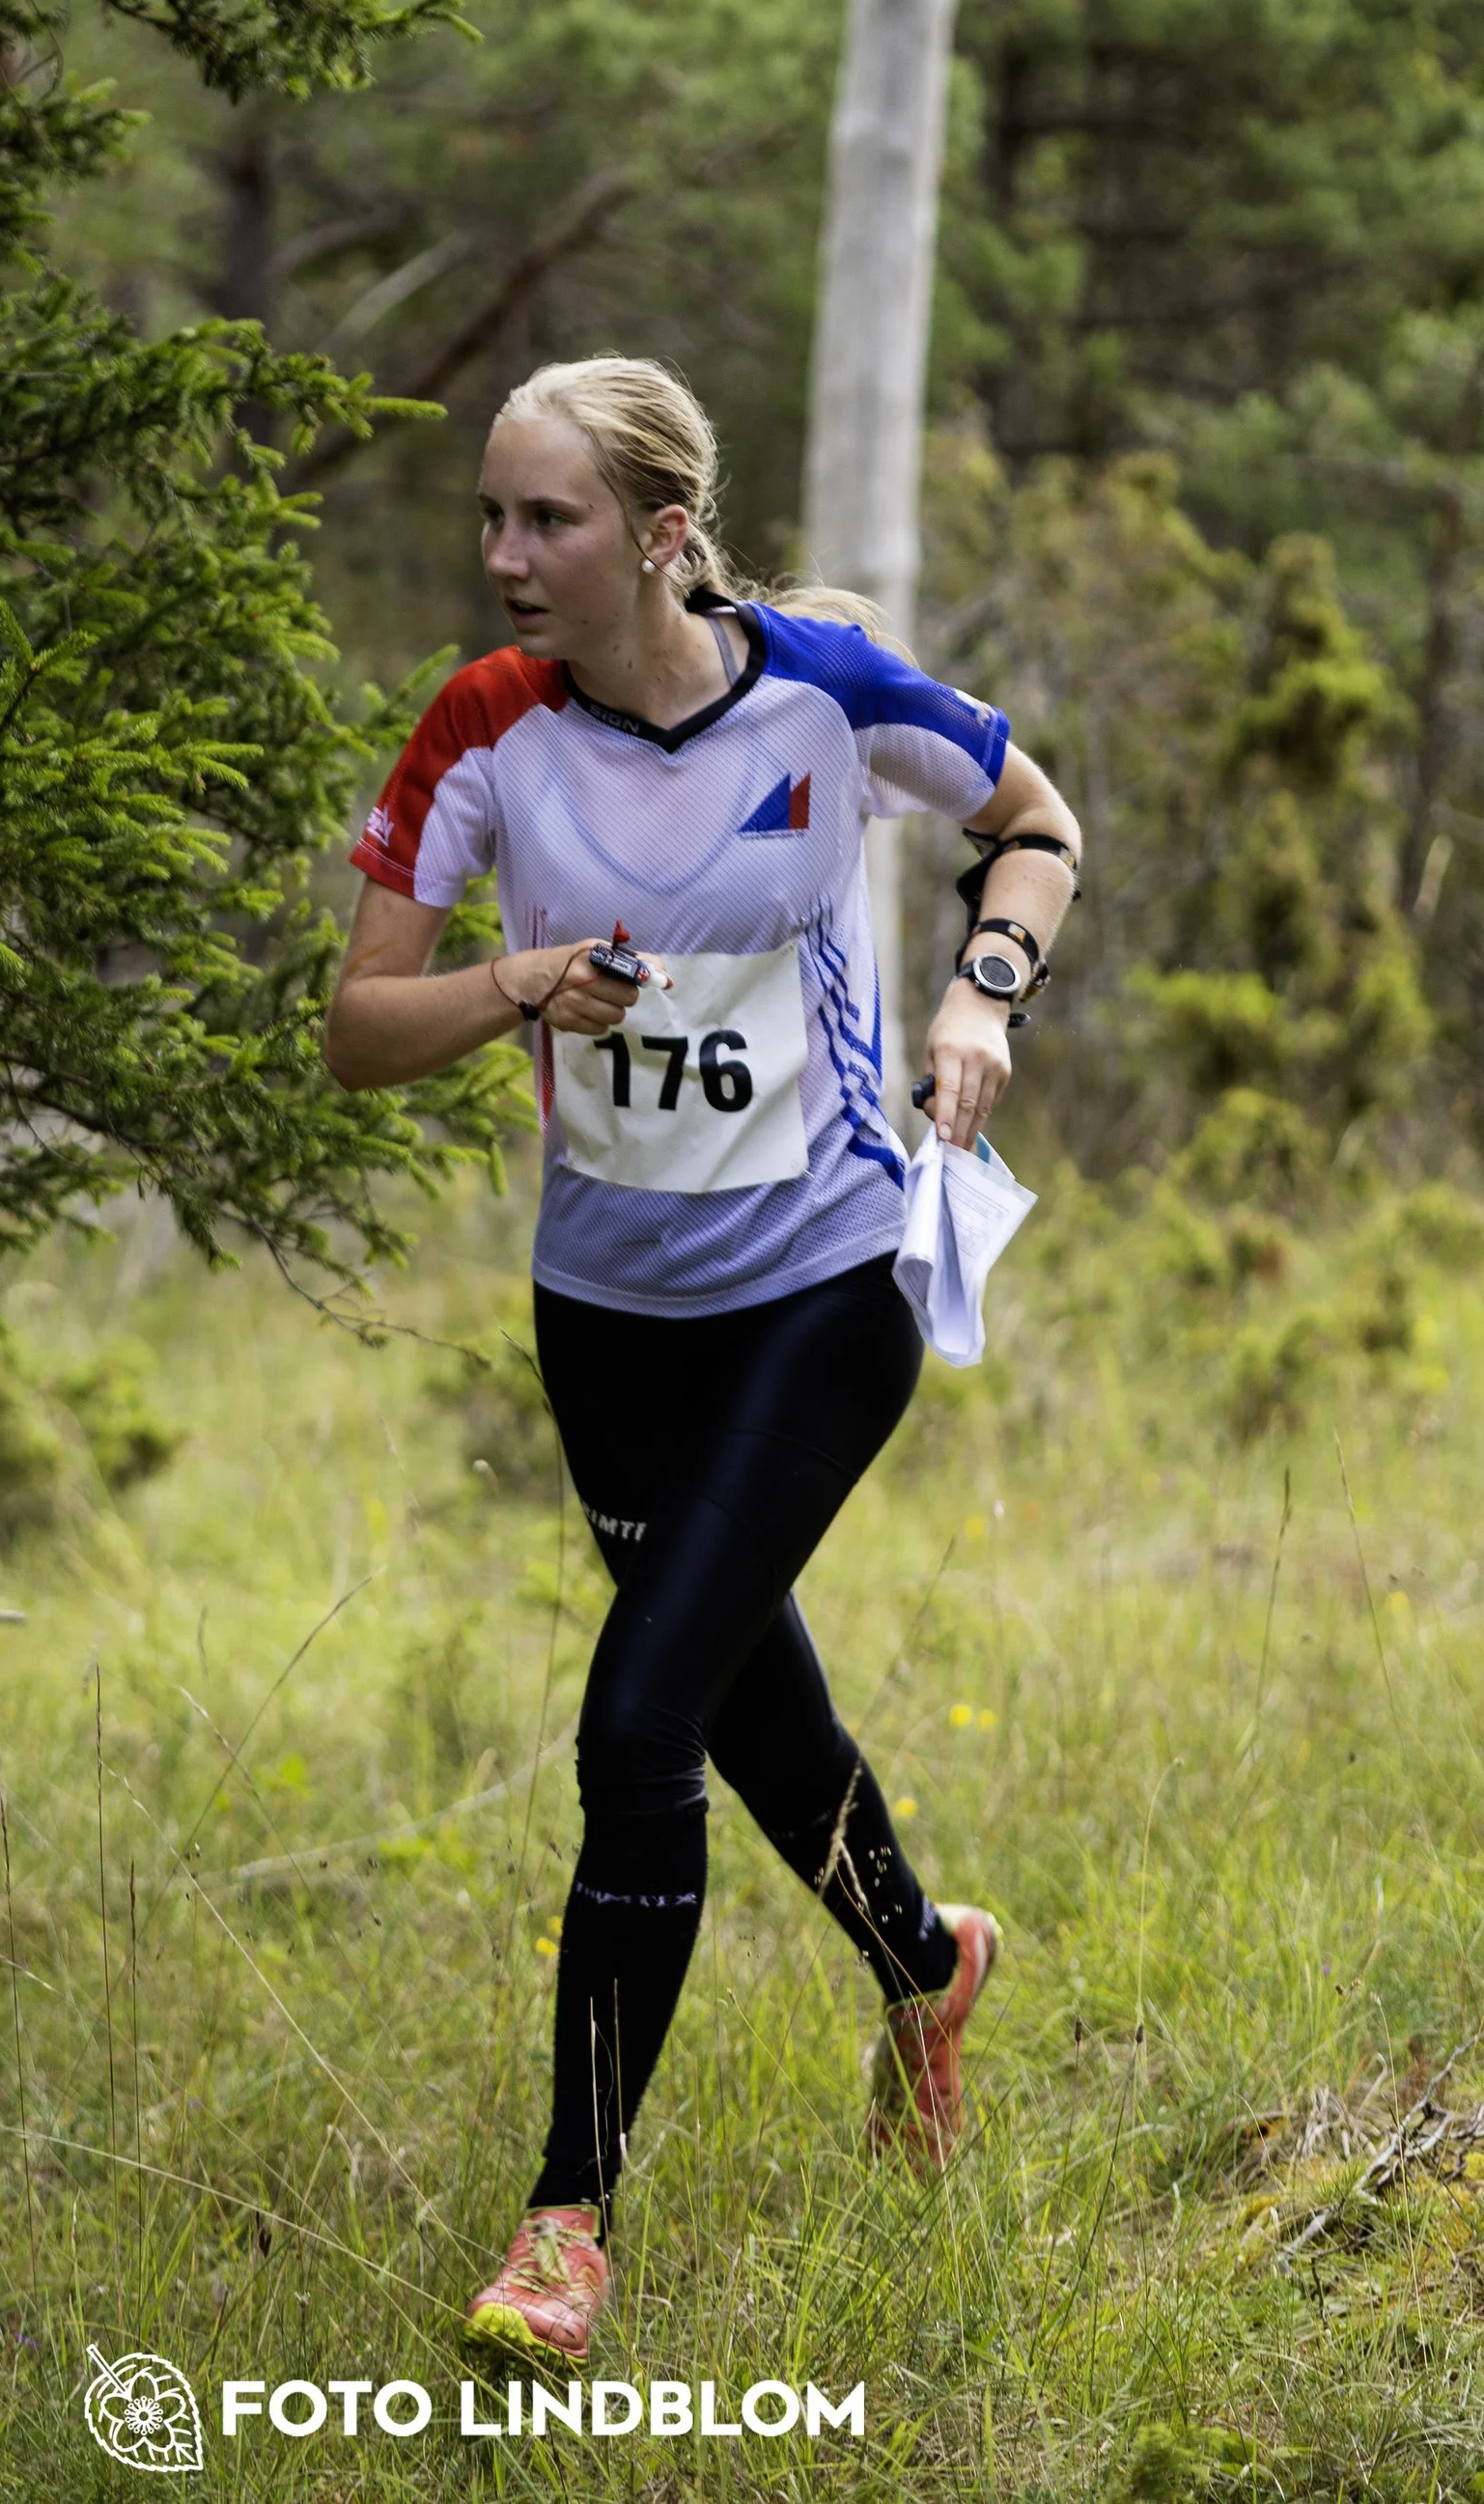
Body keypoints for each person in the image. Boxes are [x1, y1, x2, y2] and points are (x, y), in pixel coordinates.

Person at [322, 356, 1081, 2377]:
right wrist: (511, 982)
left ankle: (564, 2218)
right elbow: (353, 1023)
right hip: (608, 1311)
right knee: (741, 1702)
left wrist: (979, 996)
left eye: (543, 520)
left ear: (659, 533)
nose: (500, 556)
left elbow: (1033, 821)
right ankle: (928, 1968)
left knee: (636, 1711)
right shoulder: (481, 725)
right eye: (488, 516)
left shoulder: (819, 687)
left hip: (826, 1284)